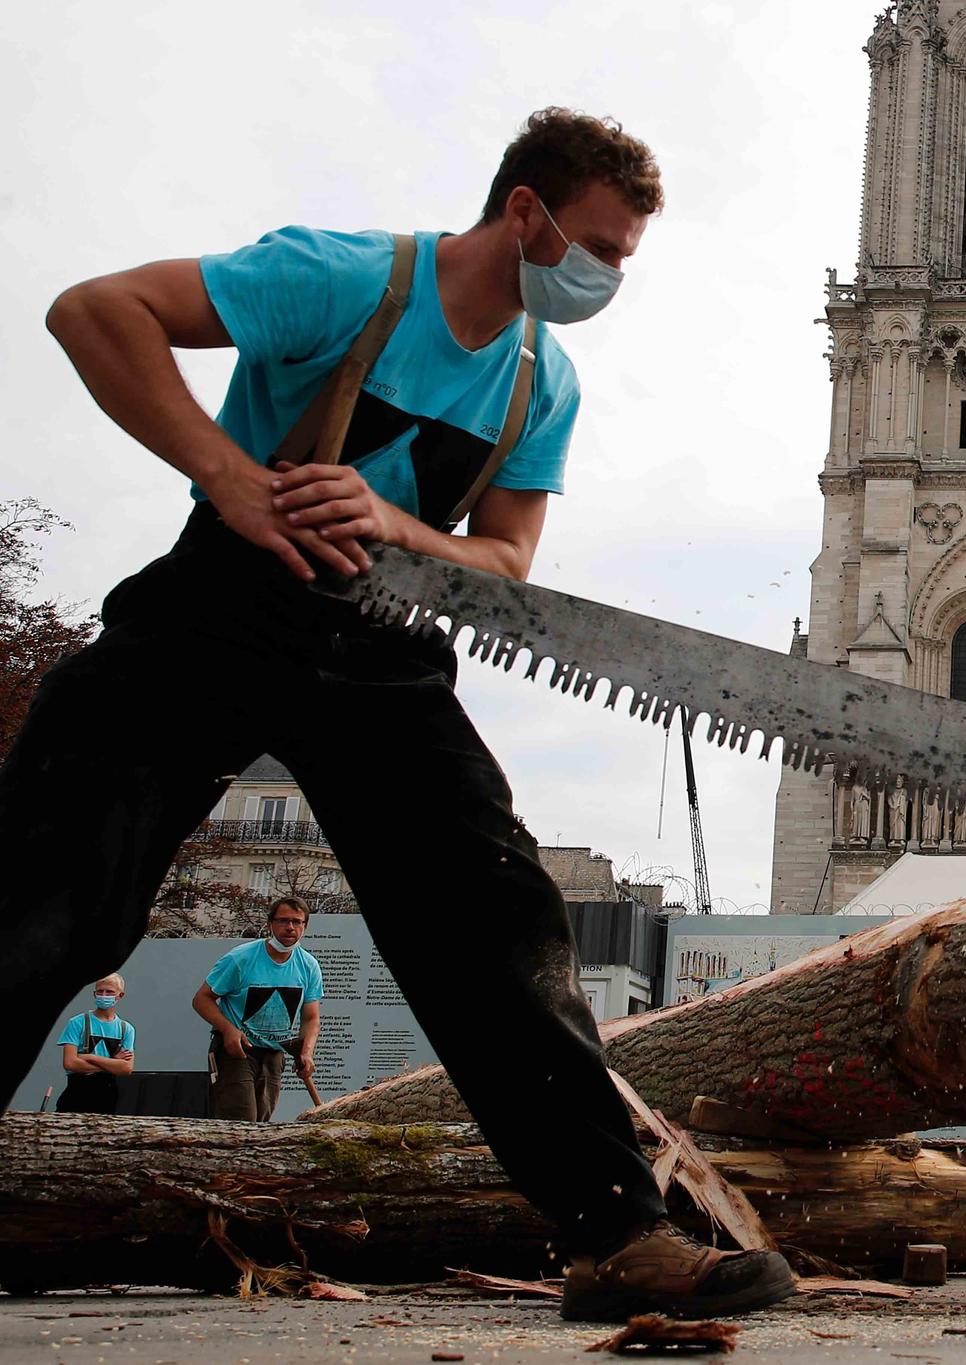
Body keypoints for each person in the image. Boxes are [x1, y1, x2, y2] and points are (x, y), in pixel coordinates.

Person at [4, 108, 793, 1321]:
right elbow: (94, 310)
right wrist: (229, 475)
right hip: (222, 603)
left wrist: (392, 528)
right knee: (54, 898)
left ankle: (617, 1234)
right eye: (598, 248)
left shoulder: (543, 376)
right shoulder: (342, 277)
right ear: (523, 212)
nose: (606, 279)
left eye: (624, 259)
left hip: (382, 648)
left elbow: (507, 561)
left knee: (498, 925)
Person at [194, 896, 323, 1121]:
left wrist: (306, 1052)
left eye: (296, 921)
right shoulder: (240, 958)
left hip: (274, 1054)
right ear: (270, 924)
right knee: (241, 1119)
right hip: (238, 1051)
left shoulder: (309, 966)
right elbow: (202, 999)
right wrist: (228, 1030)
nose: (290, 927)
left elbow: (311, 1017)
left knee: (262, 1120)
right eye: (283, 920)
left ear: (305, 926)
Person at [55, 973, 135, 1114]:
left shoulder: (126, 1029)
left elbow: (126, 1068)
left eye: (109, 992)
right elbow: (70, 1063)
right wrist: (112, 1064)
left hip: (108, 1096)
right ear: (94, 994)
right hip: (76, 1093)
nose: (104, 995)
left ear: (120, 996)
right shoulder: (77, 1023)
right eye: (100, 991)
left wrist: (90, 1057)